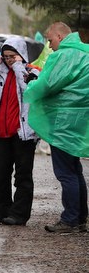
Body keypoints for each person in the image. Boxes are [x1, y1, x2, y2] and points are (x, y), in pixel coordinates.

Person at [24, 22, 89, 234]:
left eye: (50, 40)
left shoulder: (63, 55)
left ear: (60, 37)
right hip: (80, 121)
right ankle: (80, 217)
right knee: (75, 170)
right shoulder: (86, 53)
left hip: (64, 122)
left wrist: (30, 85)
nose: (49, 46)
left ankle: (70, 220)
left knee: (66, 173)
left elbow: (47, 84)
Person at [0, 37, 39, 226]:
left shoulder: (32, 71)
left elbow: (28, 90)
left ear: (21, 55)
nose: (9, 60)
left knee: (22, 176)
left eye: (12, 56)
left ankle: (19, 214)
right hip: (2, 132)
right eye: (6, 56)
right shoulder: (0, 72)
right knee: (0, 175)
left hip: (23, 133)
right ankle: (0, 211)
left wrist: (19, 66)